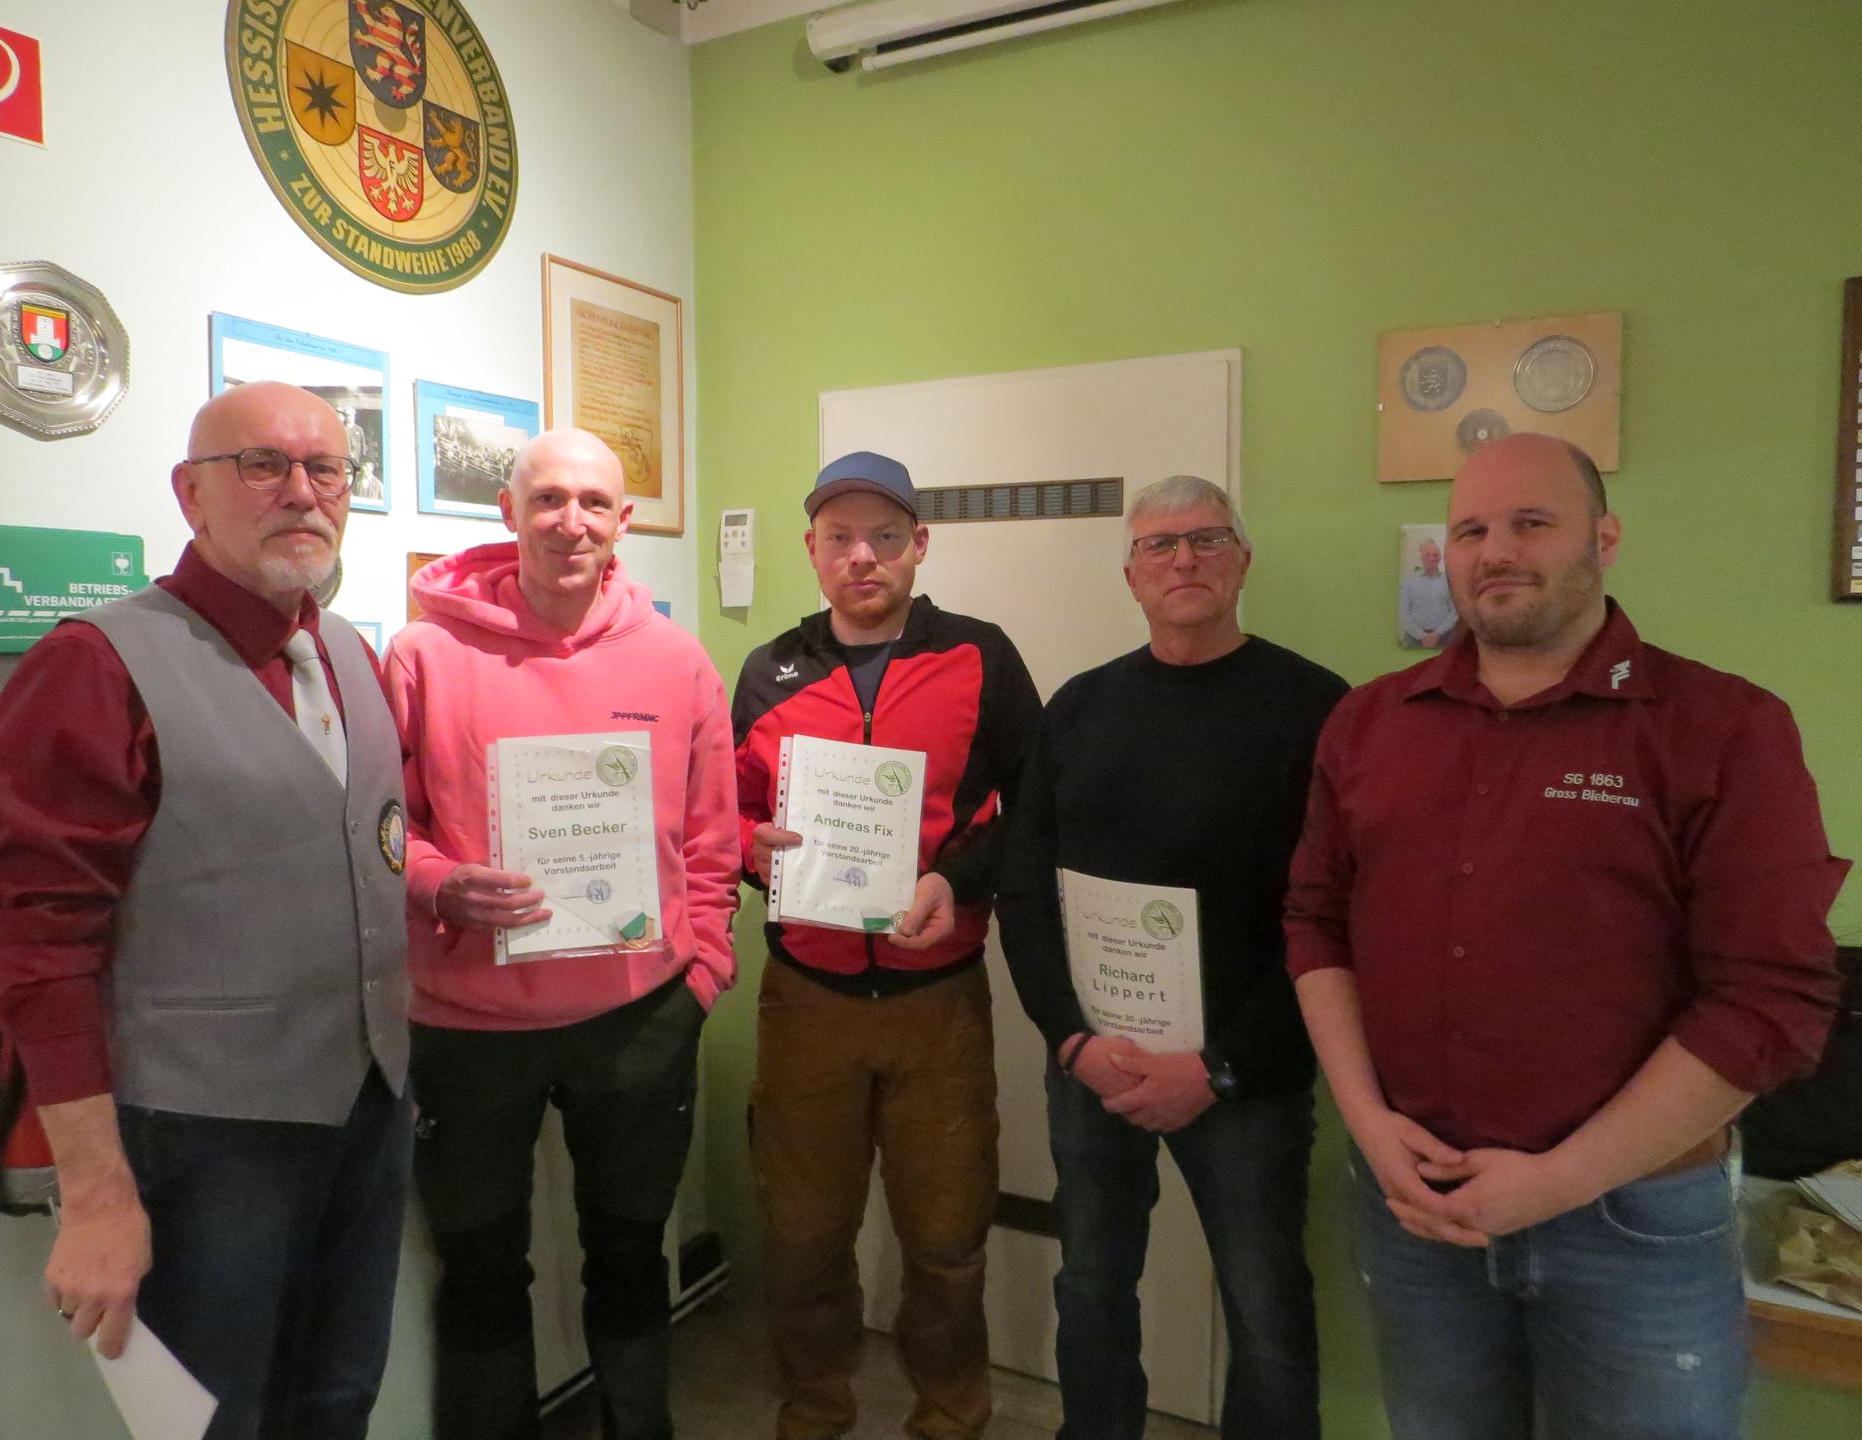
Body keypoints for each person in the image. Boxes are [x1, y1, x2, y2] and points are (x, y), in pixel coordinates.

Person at [1285, 433, 1850, 1440]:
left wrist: (1556, 1181)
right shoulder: (1370, 724)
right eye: (1470, 530)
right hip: (1419, 1208)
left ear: (1605, 538)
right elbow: (1316, 924)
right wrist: (1369, 1127)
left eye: (1532, 522)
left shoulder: (1722, 726)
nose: (1496, 550)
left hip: (1635, 1223)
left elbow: (1772, 1002)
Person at [0, 381, 411, 1440]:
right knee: (214, 1424)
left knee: (336, 1401)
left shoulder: (347, 653)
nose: (301, 493)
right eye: (262, 465)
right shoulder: (95, 663)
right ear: (191, 493)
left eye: (327, 470)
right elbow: (41, 947)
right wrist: (96, 1193)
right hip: (205, 1138)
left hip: (368, 1111)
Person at [382, 427, 739, 1440]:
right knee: (479, 1267)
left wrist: (702, 976)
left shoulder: (676, 661)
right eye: (547, 499)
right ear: (508, 513)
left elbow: (712, 838)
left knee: (630, 1255)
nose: (569, 522)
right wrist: (439, 883)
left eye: (592, 502)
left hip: (638, 1020)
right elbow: (376, 826)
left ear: (623, 521)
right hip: (466, 1027)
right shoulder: (422, 654)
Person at [998, 475, 1346, 1440]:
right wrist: (1071, 1041)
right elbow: (1025, 890)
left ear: (1243, 561)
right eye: (1159, 544)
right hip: (1095, 1065)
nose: (1184, 558)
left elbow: (1335, 917)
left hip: (1245, 1077)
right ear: (1130, 575)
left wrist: (1221, 1067)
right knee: (1092, 1284)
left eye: (1207, 539)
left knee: (1266, 1306)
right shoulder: (1078, 708)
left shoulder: (1319, 708)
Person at [731, 452, 1042, 1440]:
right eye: (840, 538)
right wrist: (750, 847)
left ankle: (951, 1414)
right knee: (801, 1238)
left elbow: (1037, 808)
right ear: (812, 549)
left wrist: (959, 878)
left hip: (936, 1003)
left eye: (884, 536)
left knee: (946, 1242)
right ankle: (814, 1410)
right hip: (806, 999)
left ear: (919, 545)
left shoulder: (982, 657)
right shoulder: (768, 671)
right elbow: (727, 813)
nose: (861, 556)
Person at [1398, 535, 1457, 648]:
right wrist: (1421, 635)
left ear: (1440, 557)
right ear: (1421, 557)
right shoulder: (1408, 581)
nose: (1431, 558)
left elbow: (1454, 611)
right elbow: (1403, 613)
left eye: (1435, 555)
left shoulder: (1449, 581)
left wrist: (1437, 634)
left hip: (1444, 636)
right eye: (1427, 555)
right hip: (1413, 638)